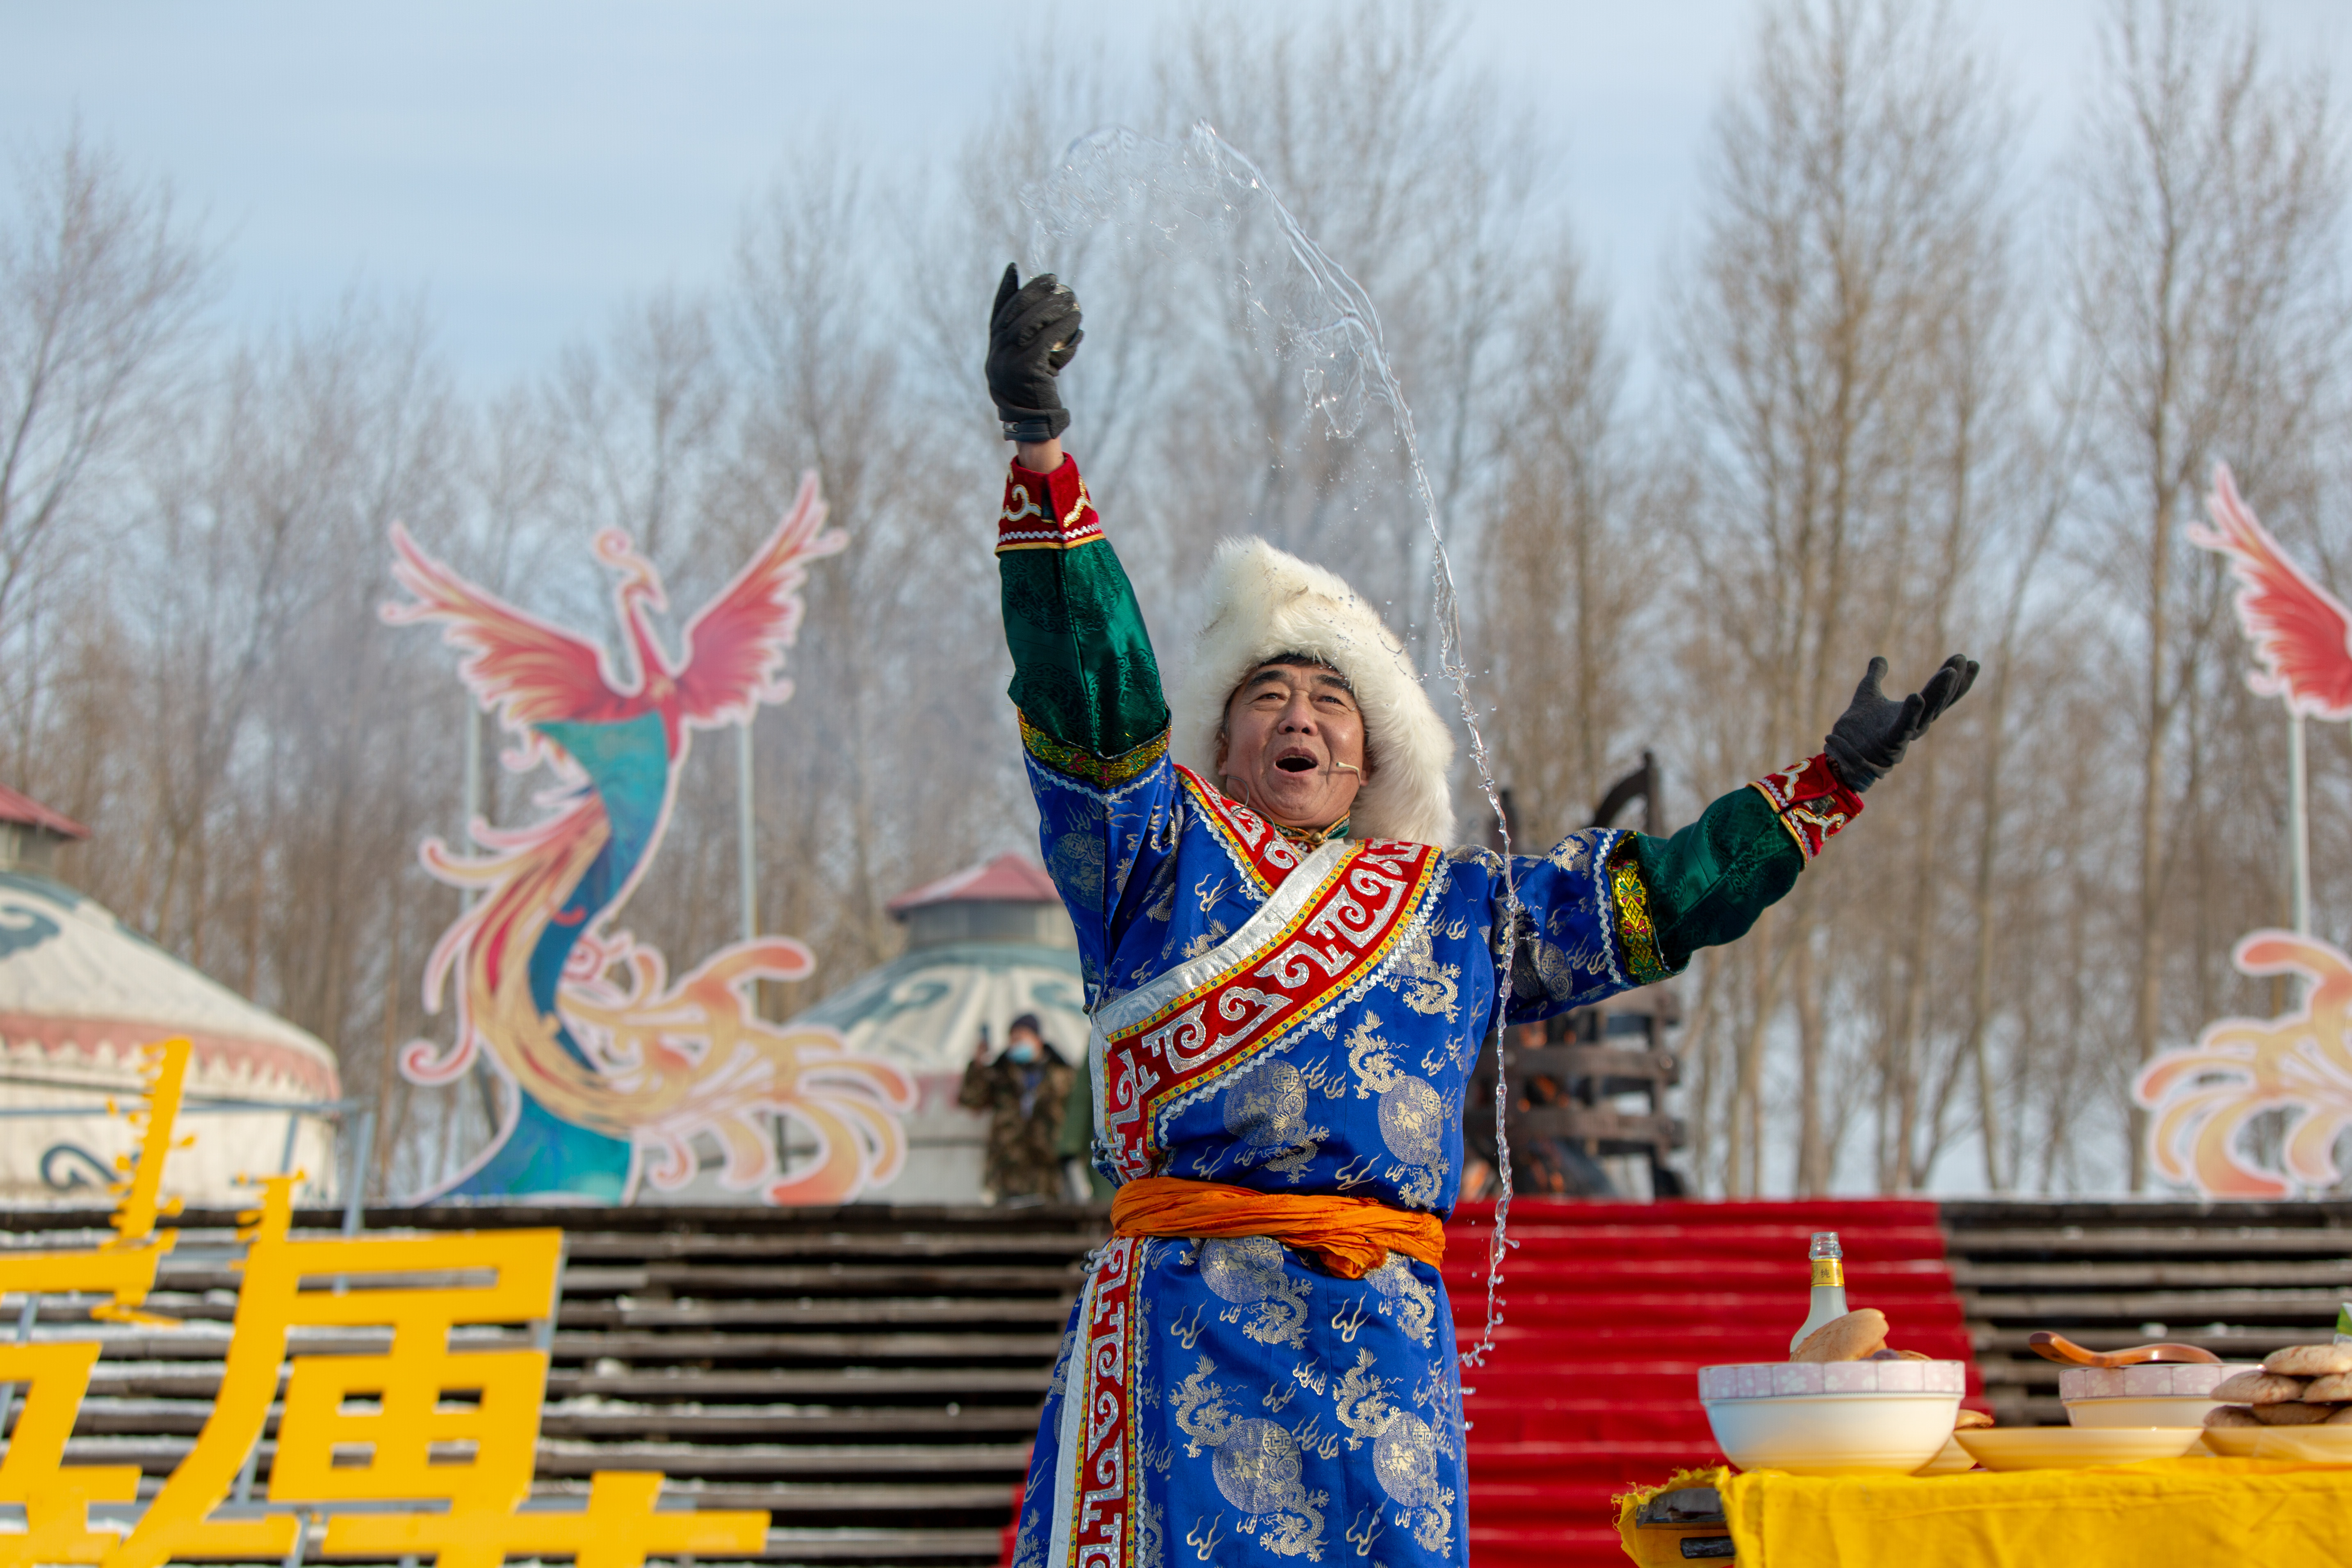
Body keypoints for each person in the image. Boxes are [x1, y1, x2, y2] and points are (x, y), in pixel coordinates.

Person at [984, 264, 1976, 1568]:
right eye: (1268, 694)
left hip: (1381, 1340)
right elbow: (1092, 694)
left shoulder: (1444, 910)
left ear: (1370, 761)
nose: (1300, 715)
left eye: (1331, 703)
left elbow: (1652, 899)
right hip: (1185, 1323)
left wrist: (1827, 784)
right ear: (1222, 741)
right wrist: (1041, 443)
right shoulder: (1155, 853)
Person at [960, 1013, 1076, 1204]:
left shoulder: (1062, 1075)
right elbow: (971, 1101)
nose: (1016, 1043)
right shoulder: (1001, 1073)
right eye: (1013, 1039)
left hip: (1047, 1169)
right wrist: (978, 1065)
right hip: (1008, 1168)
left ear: (1037, 1039)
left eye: (1022, 1037)